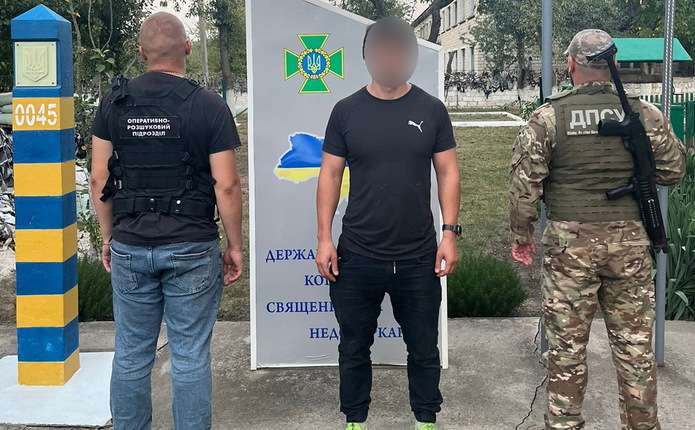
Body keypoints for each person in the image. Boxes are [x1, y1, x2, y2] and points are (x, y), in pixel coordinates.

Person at [509, 29, 686, 430]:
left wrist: (522, 237)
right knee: (636, 351)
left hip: (569, 251)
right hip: (629, 247)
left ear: (571, 64)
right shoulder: (642, 113)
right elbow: (673, 170)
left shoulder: (549, 117)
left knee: (566, 351)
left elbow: (524, 188)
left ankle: (564, 424)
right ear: (614, 64)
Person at [90, 12, 244, 430]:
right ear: (188, 48)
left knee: (131, 353)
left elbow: (99, 178)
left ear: (141, 52)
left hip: (131, 244)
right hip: (192, 247)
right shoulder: (209, 105)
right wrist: (234, 245)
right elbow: (227, 185)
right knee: (190, 354)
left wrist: (107, 236)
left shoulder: (113, 104)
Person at [315, 16, 461, 430]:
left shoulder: (431, 110)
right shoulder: (345, 112)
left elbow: (448, 171)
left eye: (398, 49)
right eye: (381, 49)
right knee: (353, 346)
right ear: (367, 56)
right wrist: (324, 238)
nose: (390, 57)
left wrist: (449, 233)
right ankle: (355, 420)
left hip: (418, 256)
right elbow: (329, 175)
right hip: (358, 254)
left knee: (424, 348)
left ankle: (426, 419)